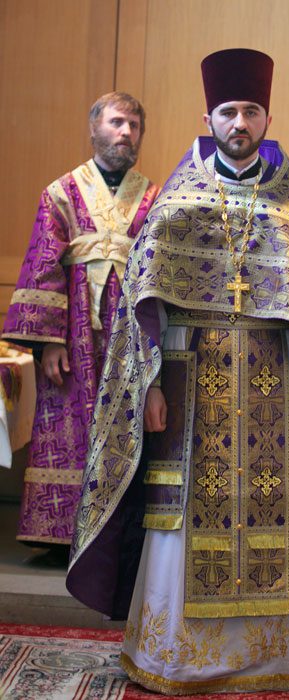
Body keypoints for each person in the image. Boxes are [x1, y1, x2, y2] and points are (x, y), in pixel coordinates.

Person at [67, 49, 289, 694]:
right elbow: (142, 301)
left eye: (251, 111)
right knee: (180, 519)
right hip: (190, 379)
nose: (240, 123)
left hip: (279, 378)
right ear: (209, 118)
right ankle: (183, 656)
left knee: (282, 510)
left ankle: (279, 656)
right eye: (228, 112)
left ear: (267, 118)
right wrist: (147, 384)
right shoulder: (179, 197)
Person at [2, 92, 160, 550]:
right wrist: (49, 340)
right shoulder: (61, 192)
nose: (125, 132)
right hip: (75, 334)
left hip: (130, 332)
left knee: (126, 428)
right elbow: (43, 266)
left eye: (133, 125)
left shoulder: (155, 197)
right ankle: (60, 533)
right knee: (69, 428)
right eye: (116, 122)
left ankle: (118, 540)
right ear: (94, 128)